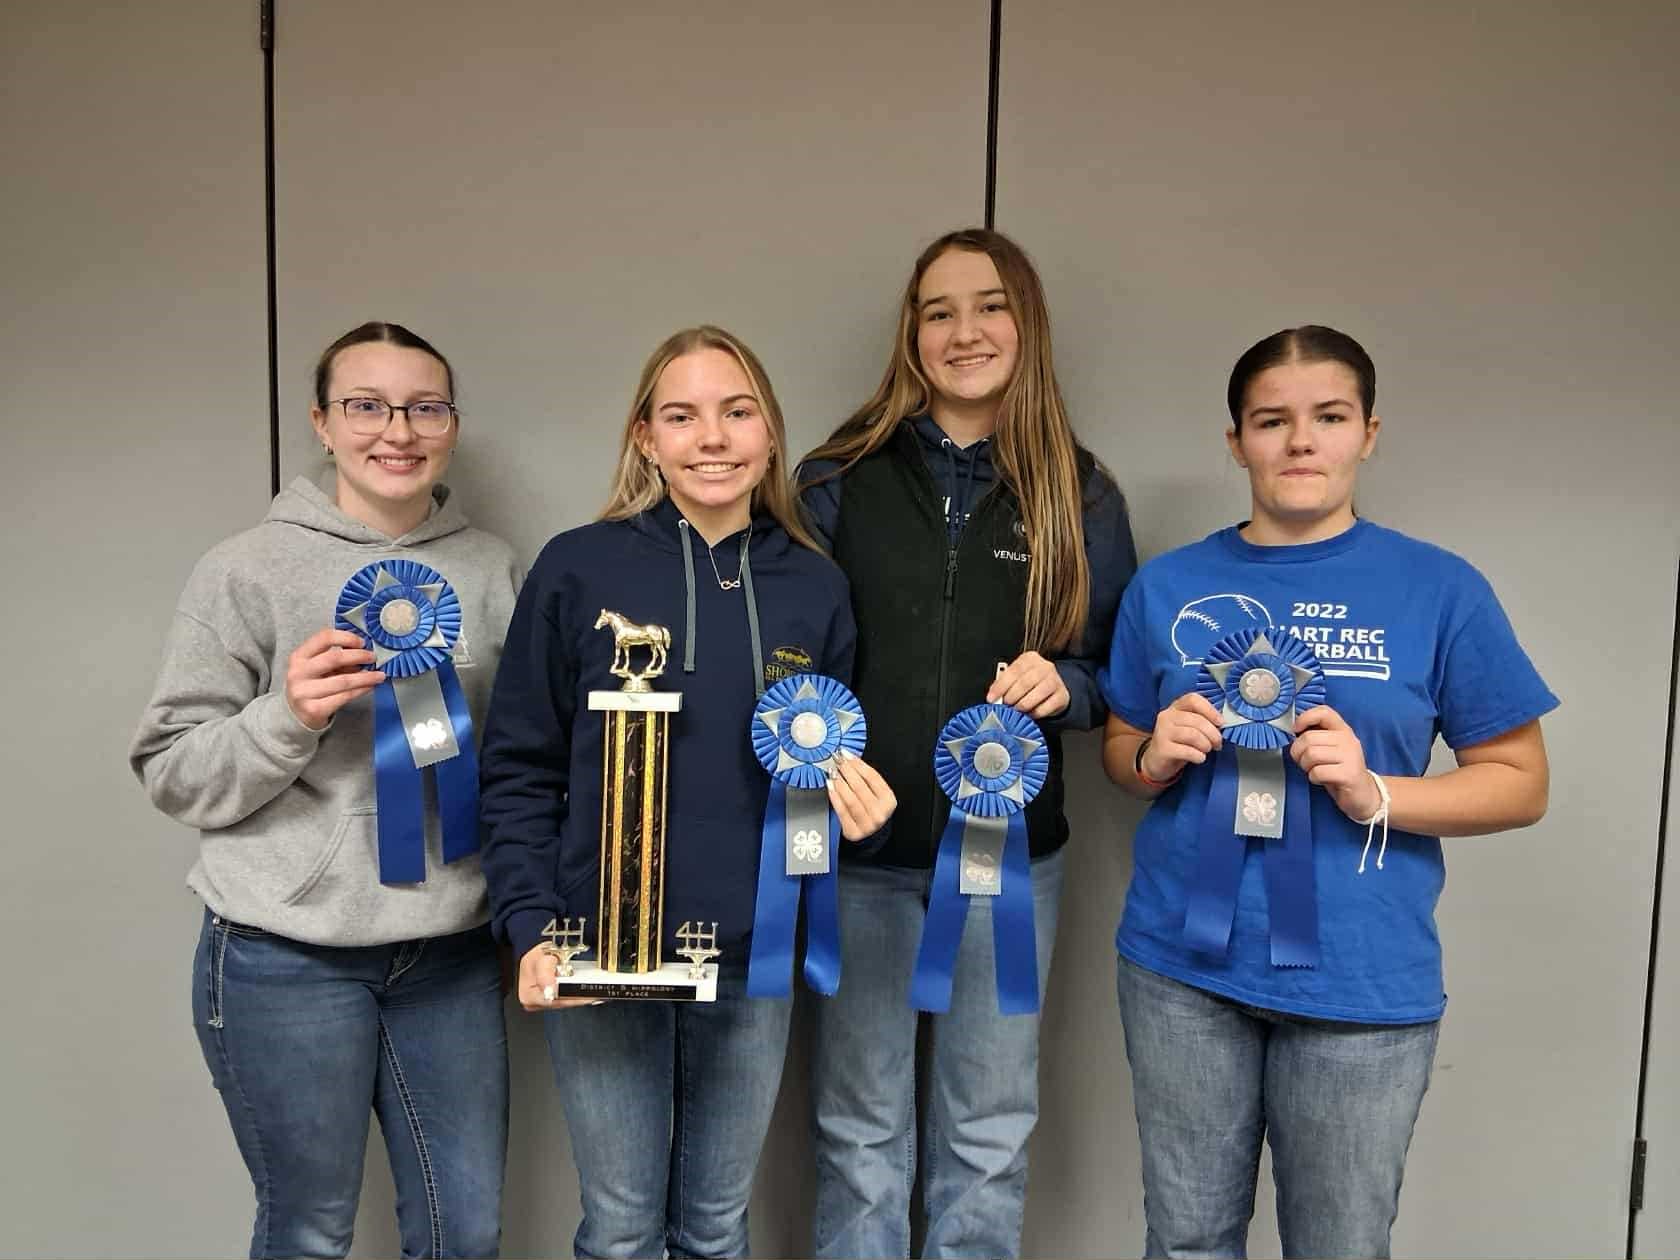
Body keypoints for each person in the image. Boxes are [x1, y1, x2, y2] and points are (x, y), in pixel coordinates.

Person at [1099, 324, 1557, 1258]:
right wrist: (1154, 754)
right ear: (1237, 442)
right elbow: (1119, 747)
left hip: (1361, 982)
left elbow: (1520, 784)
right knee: (1184, 1239)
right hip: (1182, 972)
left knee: (1340, 1247)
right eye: (1272, 420)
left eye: (1329, 416)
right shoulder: (1167, 584)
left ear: (1369, 433)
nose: (1300, 441)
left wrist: (1374, 791)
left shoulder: (1441, 589)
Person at [478, 325, 897, 1260]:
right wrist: (530, 925)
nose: (713, 436)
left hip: (754, 953)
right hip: (601, 951)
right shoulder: (578, 567)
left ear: (771, 432)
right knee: (622, 1229)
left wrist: (854, 824)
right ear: (645, 436)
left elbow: (822, 777)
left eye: (736, 411)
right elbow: (518, 766)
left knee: (715, 1228)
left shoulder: (817, 588)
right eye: (683, 415)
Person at [131, 321, 520, 1258]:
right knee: (309, 1232)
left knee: (465, 1231)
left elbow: (522, 763)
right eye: (367, 405)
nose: (399, 430)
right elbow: (171, 770)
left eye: (425, 407)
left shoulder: (493, 568)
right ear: (323, 422)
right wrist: (286, 717)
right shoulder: (244, 570)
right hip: (284, 959)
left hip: (452, 957)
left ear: (452, 425)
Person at [797, 227, 1136, 1258]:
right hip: (858, 862)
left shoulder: (1081, 491)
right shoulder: (835, 477)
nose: (965, 330)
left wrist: (1068, 685)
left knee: (988, 1132)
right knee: (859, 1137)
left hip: (1010, 868)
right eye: (938, 310)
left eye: (989, 305)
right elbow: (781, 651)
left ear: (1025, 323)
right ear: (911, 332)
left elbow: (1122, 669)